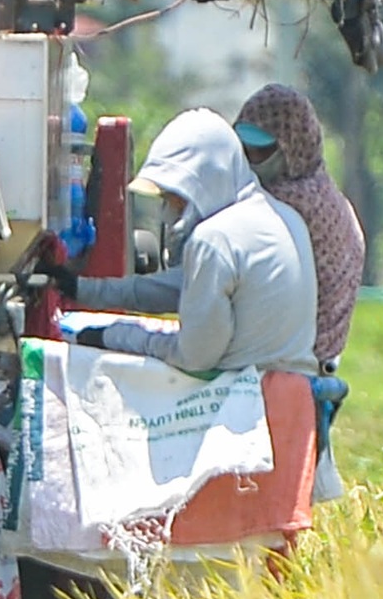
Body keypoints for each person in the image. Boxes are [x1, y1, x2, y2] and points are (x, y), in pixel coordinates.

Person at [62, 108, 315, 378]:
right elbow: (183, 287)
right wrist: (82, 289)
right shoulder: (283, 218)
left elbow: (195, 356)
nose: (170, 209)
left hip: (245, 401)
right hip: (294, 398)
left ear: (204, 182)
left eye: (175, 195)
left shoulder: (215, 239)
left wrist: (113, 337)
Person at [236, 79, 363, 490]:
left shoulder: (293, 207)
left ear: (293, 148)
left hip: (297, 364)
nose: (252, 161)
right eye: (244, 150)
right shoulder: (324, 194)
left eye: (263, 151)